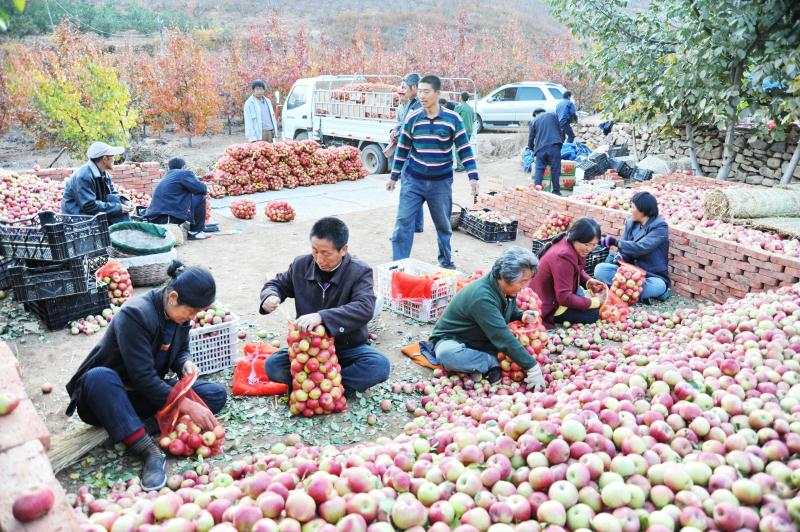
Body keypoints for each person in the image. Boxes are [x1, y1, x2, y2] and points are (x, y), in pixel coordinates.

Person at [65, 261, 226, 492]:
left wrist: (185, 363)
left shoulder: (179, 316)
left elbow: (180, 350)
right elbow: (143, 378)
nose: (191, 317)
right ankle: (148, 450)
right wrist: (186, 405)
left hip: (144, 395)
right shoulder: (136, 314)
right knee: (98, 377)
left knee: (215, 394)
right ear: (172, 297)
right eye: (190, 312)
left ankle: (132, 427)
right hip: (107, 397)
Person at [260, 217, 390, 395]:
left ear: (343, 250)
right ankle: (326, 385)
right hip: (308, 348)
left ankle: (323, 386)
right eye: (315, 251)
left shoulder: (359, 271)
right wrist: (270, 296)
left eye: (326, 253)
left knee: (379, 366)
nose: (319, 258)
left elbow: (364, 307)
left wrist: (322, 316)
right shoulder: (301, 265)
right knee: (273, 366)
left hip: (346, 348)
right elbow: (277, 284)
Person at [387, 75, 479, 269]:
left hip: (440, 183)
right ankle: (399, 266)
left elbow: (464, 149)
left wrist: (473, 177)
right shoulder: (413, 118)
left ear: (438, 93)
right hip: (413, 180)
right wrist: (394, 177)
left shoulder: (453, 119)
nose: (421, 95)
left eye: (426, 91)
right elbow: (402, 149)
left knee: (443, 225)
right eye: (419, 91)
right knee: (403, 222)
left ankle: (445, 262)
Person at [428, 247, 545, 390]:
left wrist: (521, 315)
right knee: (447, 355)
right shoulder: (482, 296)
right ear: (506, 278)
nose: (525, 286)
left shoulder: (503, 288)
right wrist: (532, 366)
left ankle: (480, 362)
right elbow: (502, 336)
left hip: (480, 338)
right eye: (523, 281)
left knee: (504, 345)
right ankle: (490, 362)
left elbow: (506, 310)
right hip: (454, 340)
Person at [530, 218, 608, 328]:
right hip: (546, 303)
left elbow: (576, 269)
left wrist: (588, 281)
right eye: (586, 244)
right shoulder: (563, 256)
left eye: (594, 245)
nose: (590, 249)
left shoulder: (567, 242)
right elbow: (564, 297)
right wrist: (595, 302)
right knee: (593, 315)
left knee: (585, 300)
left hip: (552, 293)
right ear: (575, 238)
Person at [594, 191, 671, 302]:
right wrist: (620, 257)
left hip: (650, 275)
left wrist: (616, 243)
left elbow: (641, 247)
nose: (631, 210)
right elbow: (625, 248)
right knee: (600, 269)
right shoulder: (631, 223)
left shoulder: (660, 227)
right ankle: (633, 295)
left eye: (633, 207)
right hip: (628, 273)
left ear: (643, 210)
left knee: (658, 286)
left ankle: (621, 292)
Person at [144, 157, 216, 240]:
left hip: (154, 217)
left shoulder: (167, 176)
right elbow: (202, 189)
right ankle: (196, 232)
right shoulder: (183, 174)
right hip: (168, 217)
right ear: (183, 167)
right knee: (200, 196)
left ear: (169, 167)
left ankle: (194, 228)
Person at [62, 141, 133, 225]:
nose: (114, 159)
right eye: (112, 156)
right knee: (118, 211)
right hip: (78, 218)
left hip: (92, 215)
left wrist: (124, 202)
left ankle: (127, 231)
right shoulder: (83, 176)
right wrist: (118, 208)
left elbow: (112, 195)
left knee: (119, 210)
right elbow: (90, 206)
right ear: (104, 159)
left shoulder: (104, 174)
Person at [388, 73, 424, 234]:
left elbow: (410, 126)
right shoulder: (409, 104)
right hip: (409, 152)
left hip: (412, 154)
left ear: (414, 88)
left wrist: (399, 132)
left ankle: (405, 228)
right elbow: (401, 124)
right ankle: (417, 225)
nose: (403, 91)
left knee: (408, 190)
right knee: (415, 191)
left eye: (405, 88)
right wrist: (394, 130)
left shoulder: (418, 106)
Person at [528, 109, 564, 196]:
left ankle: (538, 187)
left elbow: (531, 138)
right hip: (554, 145)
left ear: (535, 114)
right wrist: (561, 141)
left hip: (540, 148)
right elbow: (561, 130)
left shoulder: (534, 121)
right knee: (555, 169)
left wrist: (531, 148)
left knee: (539, 168)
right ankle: (556, 191)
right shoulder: (553, 115)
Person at [454, 91, 475, 172]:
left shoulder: (460, 107)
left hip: (462, 131)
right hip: (470, 130)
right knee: (465, 148)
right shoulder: (471, 108)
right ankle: (467, 165)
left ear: (461, 98)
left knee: (458, 149)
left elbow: (454, 116)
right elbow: (473, 119)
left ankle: (460, 166)